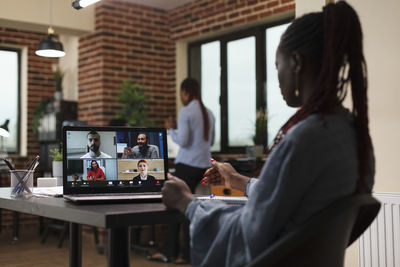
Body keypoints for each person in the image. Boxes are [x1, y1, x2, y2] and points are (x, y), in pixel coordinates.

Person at [161, 2, 375, 267]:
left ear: (295, 62)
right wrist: (239, 180)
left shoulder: (305, 140)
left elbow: (247, 236)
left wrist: (188, 203)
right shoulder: (352, 134)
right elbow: (288, 199)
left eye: (277, 66)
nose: (277, 77)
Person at [148, 78, 215, 264]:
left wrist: (170, 130)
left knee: (174, 205)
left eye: (181, 94)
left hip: (187, 165)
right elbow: (210, 142)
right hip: (203, 167)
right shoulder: (209, 113)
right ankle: (187, 253)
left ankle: (169, 252)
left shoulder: (186, 111)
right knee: (193, 207)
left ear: (185, 92)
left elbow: (184, 141)